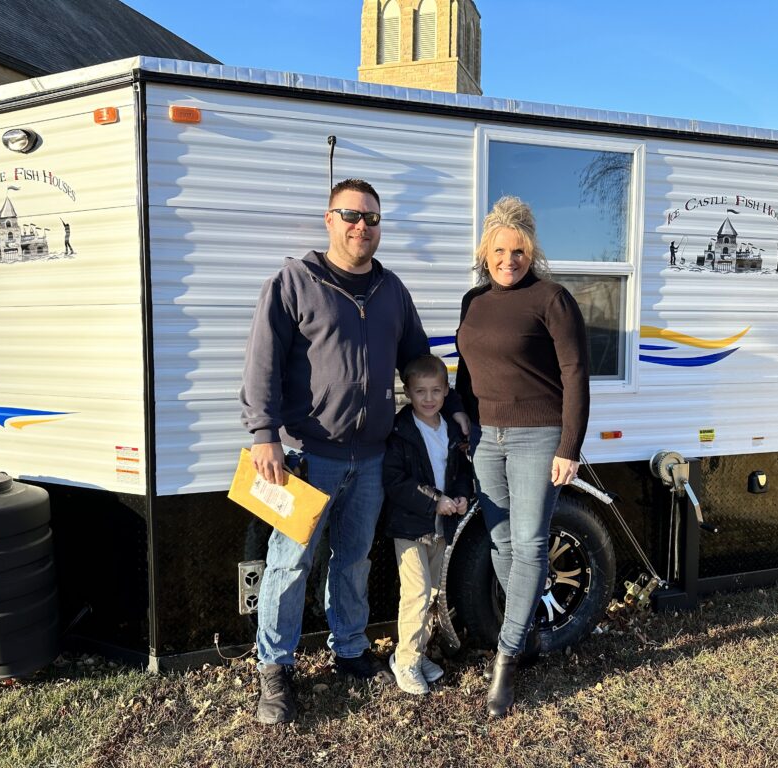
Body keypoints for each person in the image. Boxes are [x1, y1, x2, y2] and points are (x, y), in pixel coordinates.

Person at [240, 178, 468, 725]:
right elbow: (263, 361)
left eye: (371, 218)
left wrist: (455, 409)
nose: (361, 226)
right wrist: (263, 433)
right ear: (329, 219)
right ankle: (275, 667)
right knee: (289, 563)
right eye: (351, 216)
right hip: (306, 455)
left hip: (372, 458)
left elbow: (420, 364)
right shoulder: (295, 282)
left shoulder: (392, 291)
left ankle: (348, 647)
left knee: (354, 557)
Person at [456, 196, 590, 718]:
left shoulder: (552, 299)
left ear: (531, 251)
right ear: (485, 251)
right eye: (499, 250)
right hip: (487, 438)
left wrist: (569, 447)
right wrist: (465, 422)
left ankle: (507, 658)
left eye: (518, 251)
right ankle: (527, 632)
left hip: (540, 436)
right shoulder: (473, 301)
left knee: (531, 544)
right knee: (501, 543)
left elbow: (576, 373)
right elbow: (467, 372)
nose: (508, 260)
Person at [383, 354, 473, 695]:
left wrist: (461, 496)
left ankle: (417, 654)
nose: (429, 398)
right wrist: (435, 499)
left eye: (436, 390)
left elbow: (460, 473)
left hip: (441, 526)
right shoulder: (400, 430)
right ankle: (404, 661)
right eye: (420, 391)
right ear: (407, 392)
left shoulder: (449, 429)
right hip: (409, 527)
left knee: (434, 593)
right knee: (417, 593)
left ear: (447, 391)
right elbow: (395, 481)